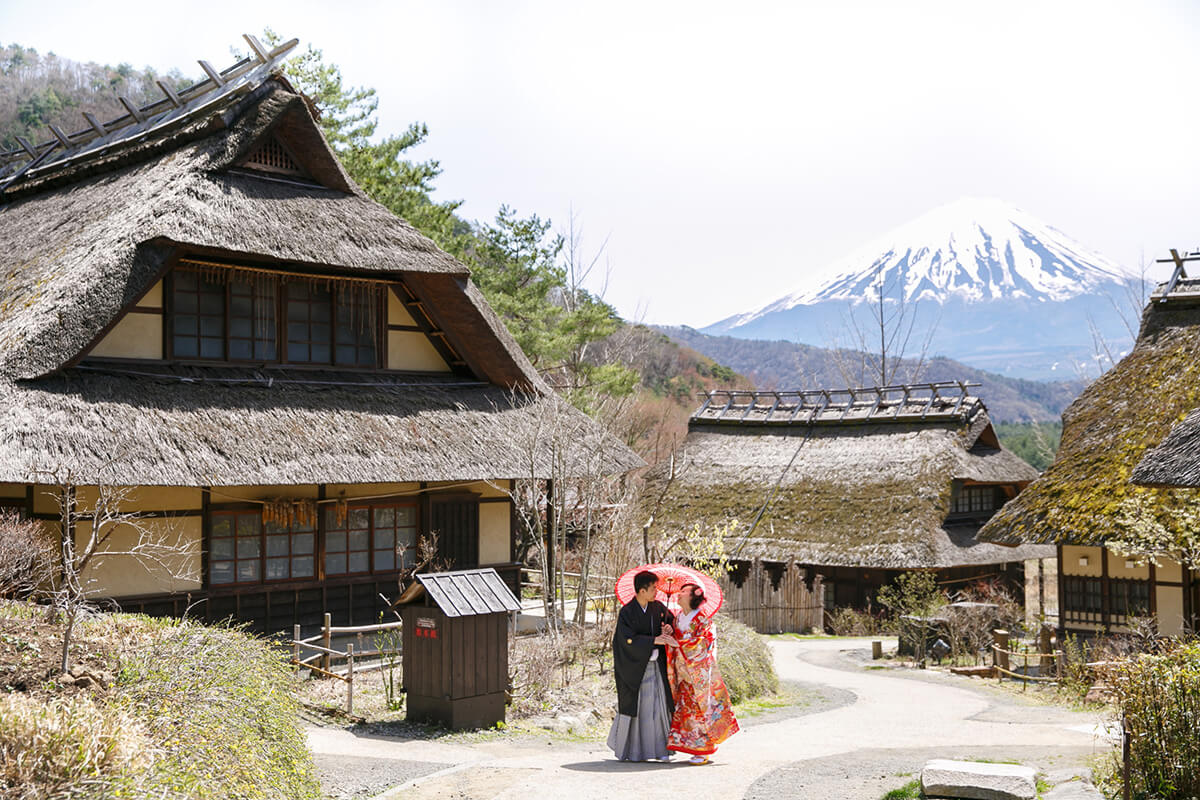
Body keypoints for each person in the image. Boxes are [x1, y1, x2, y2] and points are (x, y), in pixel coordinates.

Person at [608, 569, 677, 762]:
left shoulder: (658, 608)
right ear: (641, 590)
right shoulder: (628, 612)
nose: (657, 592)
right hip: (636, 669)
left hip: (657, 668)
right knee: (640, 710)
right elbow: (625, 640)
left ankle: (662, 750)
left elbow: (671, 621)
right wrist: (654, 640)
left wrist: (669, 627)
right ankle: (634, 751)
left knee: (658, 708)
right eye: (653, 588)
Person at [666, 582, 739, 764]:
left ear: (693, 596)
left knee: (700, 709)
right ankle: (691, 746)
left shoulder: (702, 619)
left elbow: (703, 642)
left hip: (697, 670)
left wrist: (679, 643)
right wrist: (668, 632)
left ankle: (704, 749)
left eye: (684, 591)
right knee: (685, 709)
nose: (679, 594)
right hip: (682, 671)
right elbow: (675, 639)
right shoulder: (678, 618)